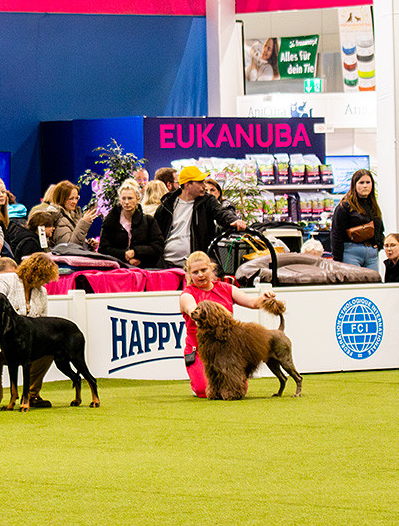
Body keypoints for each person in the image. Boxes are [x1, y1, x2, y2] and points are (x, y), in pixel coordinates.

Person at [0, 253, 59, 409]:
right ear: (36, 274)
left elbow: (41, 325)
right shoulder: (4, 280)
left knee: (49, 347)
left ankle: (32, 394)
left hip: (18, 348)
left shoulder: (42, 293)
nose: (47, 282)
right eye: (45, 278)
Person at [178, 251, 278, 398]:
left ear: (211, 268)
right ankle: (197, 382)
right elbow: (191, 309)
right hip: (200, 351)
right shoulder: (187, 295)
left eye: (204, 270)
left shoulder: (226, 288)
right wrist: (198, 313)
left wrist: (264, 299)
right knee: (203, 390)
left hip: (227, 349)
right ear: (189, 275)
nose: (200, 275)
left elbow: (252, 302)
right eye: (195, 272)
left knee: (236, 388)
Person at [154, 166, 245, 269]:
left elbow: (222, 213)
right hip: (166, 266)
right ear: (187, 184)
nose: (204, 186)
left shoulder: (207, 201)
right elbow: (156, 235)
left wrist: (234, 220)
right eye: (200, 182)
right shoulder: (167, 205)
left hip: (196, 267)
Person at [98, 179, 164, 268]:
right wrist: (125, 256)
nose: (126, 202)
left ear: (138, 199)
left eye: (130, 198)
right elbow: (103, 249)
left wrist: (135, 252)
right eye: (123, 198)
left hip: (144, 268)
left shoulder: (149, 221)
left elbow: (158, 247)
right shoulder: (111, 220)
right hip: (117, 268)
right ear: (120, 200)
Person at [330, 169, 383, 270]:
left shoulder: (373, 206)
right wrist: (337, 260)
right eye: (361, 182)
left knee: (374, 280)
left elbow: (380, 228)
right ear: (354, 185)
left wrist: (379, 245)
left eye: (368, 182)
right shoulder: (344, 207)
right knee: (354, 280)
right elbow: (336, 234)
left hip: (372, 254)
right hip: (351, 253)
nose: (365, 186)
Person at [50, 180, 101, 250]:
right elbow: (69, 247)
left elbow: (76, 241)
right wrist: (84, 223)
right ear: (61, 199)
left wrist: (88, 245)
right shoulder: (58, 218)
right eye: (71, 198)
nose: (75, 202)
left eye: (76, 198)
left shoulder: (72, 214)